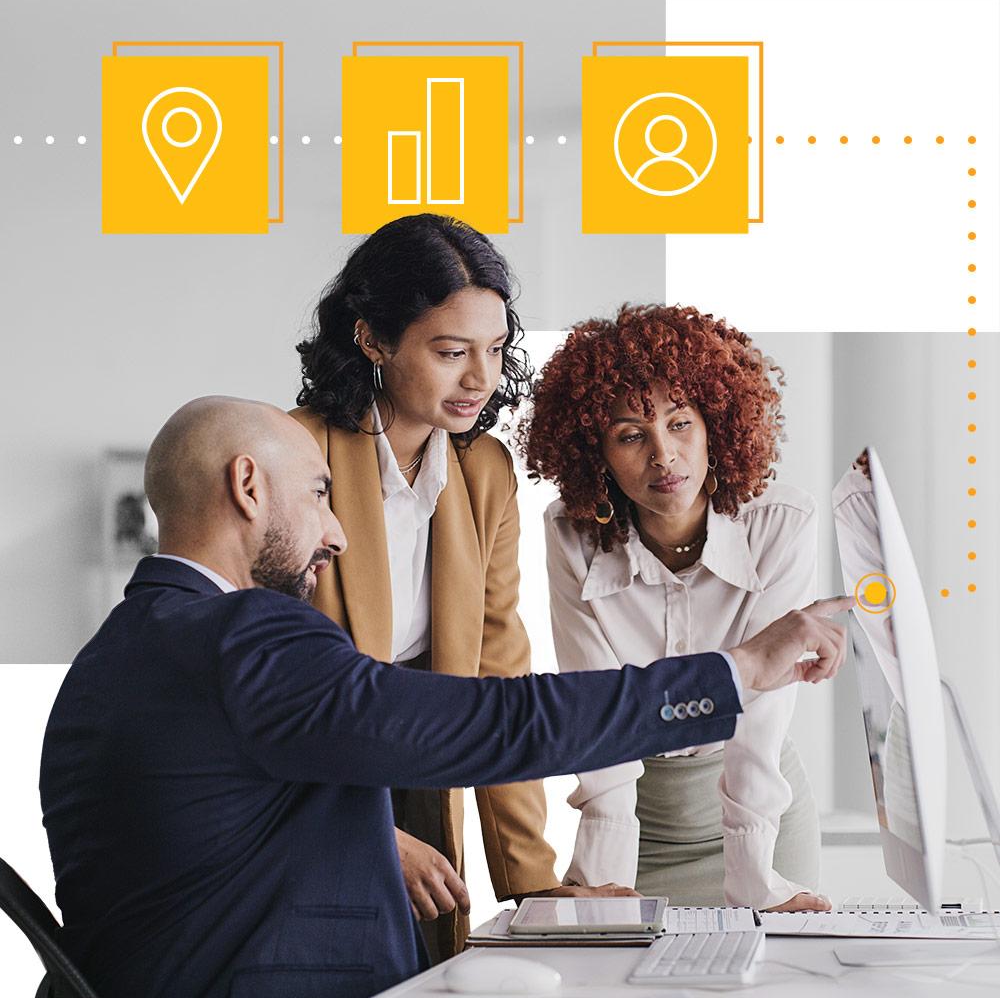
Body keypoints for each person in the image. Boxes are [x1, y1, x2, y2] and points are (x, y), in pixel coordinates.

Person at [40, 396, 851, 998]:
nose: (338, 532)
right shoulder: (244, 636)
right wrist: (738, 670)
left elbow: (231, 831)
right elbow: (493, 722)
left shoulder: (119, 653)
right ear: (248, 486)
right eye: (319, 493)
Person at [292, 212, 606, 960]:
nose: (480, 379)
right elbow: (251, 693)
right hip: (303, 791)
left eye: (494, 350)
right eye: (451, 351)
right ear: (373, 339)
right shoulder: (294, 454)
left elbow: (499, 677)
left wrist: (534, 884)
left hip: (420, 776)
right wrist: (368, 831)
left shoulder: (483, 471)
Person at [521, 304, 830, 912]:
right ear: (596, 454)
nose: (663, 455)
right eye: (631, 435)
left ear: (716, 424)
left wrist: (757, 882)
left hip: (763, 818)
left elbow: (759, 715)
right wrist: (603, 881)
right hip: (639, 823)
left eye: (680, 423)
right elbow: (597, 708)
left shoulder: (781, 524)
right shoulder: (570, 534)